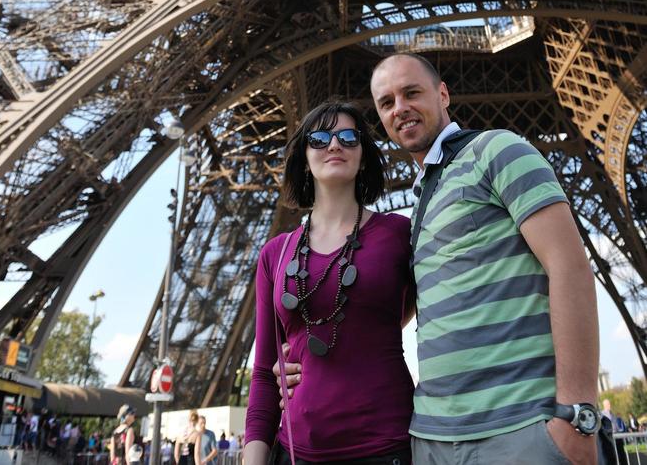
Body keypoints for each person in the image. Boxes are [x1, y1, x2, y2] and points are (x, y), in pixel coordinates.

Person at [280, 54, 602, 465]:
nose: (400, 108)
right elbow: (374, 315)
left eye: (411, 92)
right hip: (432, 436)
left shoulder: (497, 149)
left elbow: (570, 266)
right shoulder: (417, 210)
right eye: (387, 102)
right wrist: (305, 352)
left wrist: (577, 413)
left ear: (443, 93)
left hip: (517, 427)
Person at [244, 99, 415, 465]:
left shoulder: (401, 234)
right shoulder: (275, 254)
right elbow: (263, 374)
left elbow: (429, 315)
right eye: (319, 138)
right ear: (304, 157)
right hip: (295, 452)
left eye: (348, 137)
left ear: (364, 156)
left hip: (385, 450)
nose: (334, 145)